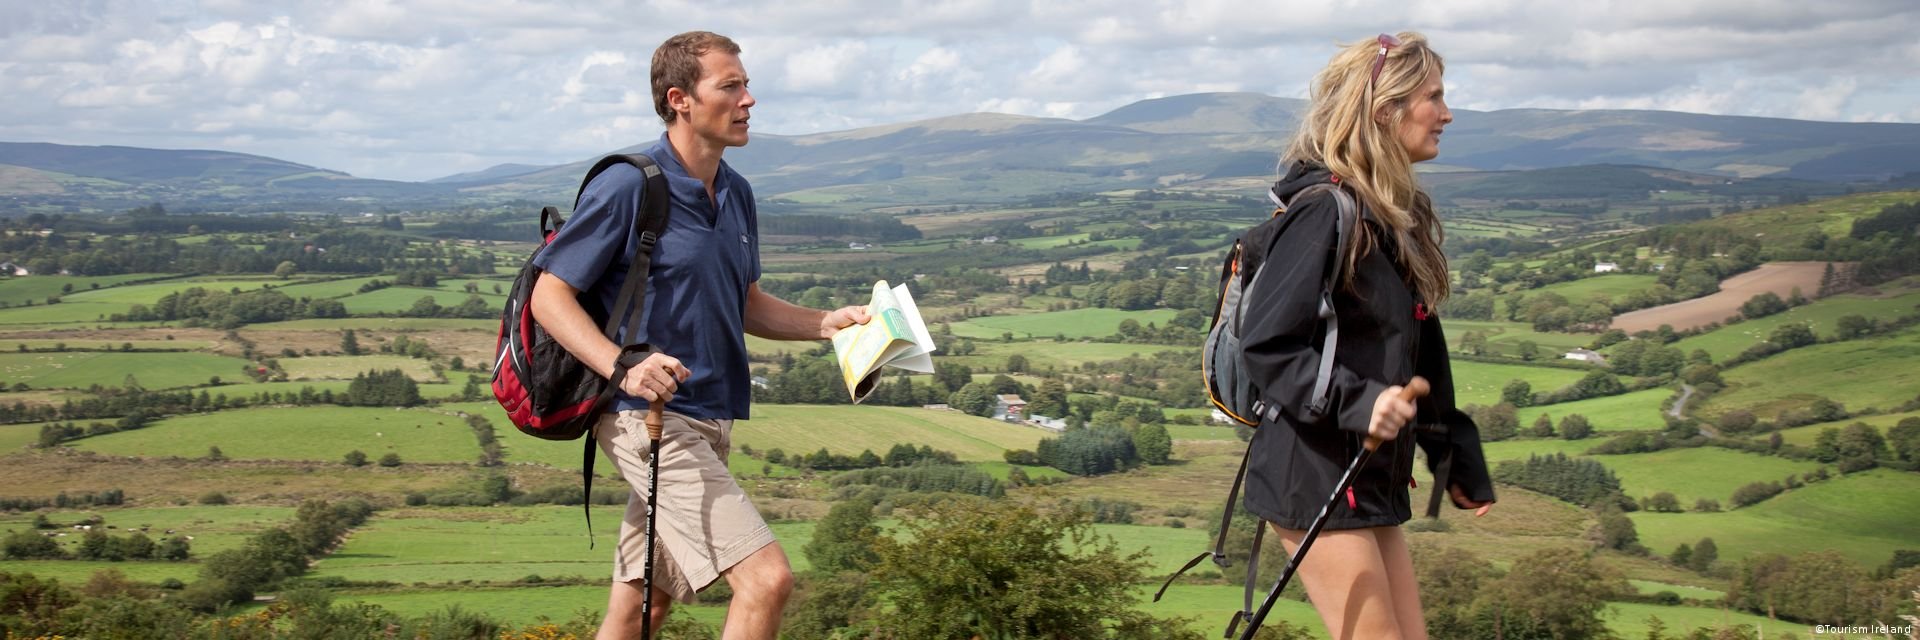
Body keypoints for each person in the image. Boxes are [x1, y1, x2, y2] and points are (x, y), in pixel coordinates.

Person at [528, 31, 869, 640]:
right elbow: (549, 294)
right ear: (681, 98)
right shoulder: (630, 186)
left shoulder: (736, 193)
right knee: (766, 581)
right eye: (731, 86)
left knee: (641, 607)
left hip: (710, 415)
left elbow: (744, 303)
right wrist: (622, 366)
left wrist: (824, 324)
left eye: (746, 84)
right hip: (646, 417)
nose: (749, 99)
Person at [1238, 32, 1496, 640]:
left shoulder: (1389, 216)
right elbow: (1266, 343)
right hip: (1314, 472)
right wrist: (1361, 402)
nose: (1447, 113)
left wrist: (1453, 453)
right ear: (1386, 110)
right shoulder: (1326, 212)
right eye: (1434, 96)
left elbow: (1416, 351)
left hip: (1367, 472)